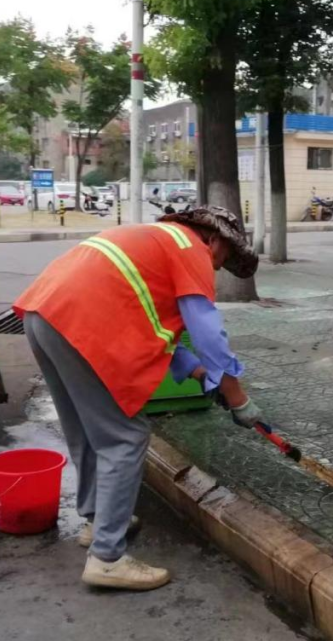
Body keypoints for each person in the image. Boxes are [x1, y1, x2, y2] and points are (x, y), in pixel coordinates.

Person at [14, 206, 261, 592]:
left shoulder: (153, 241)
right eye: (222, 259)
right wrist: (238, 397)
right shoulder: (191, 248)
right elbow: (209, 335)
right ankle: (107, 558)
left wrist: (202, 375)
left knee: (86, 430)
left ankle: (97, 522)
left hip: (43, 314)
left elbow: (156, 332)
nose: (215, 268)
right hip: (79, 322)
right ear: (214, 239)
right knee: (124, 438)